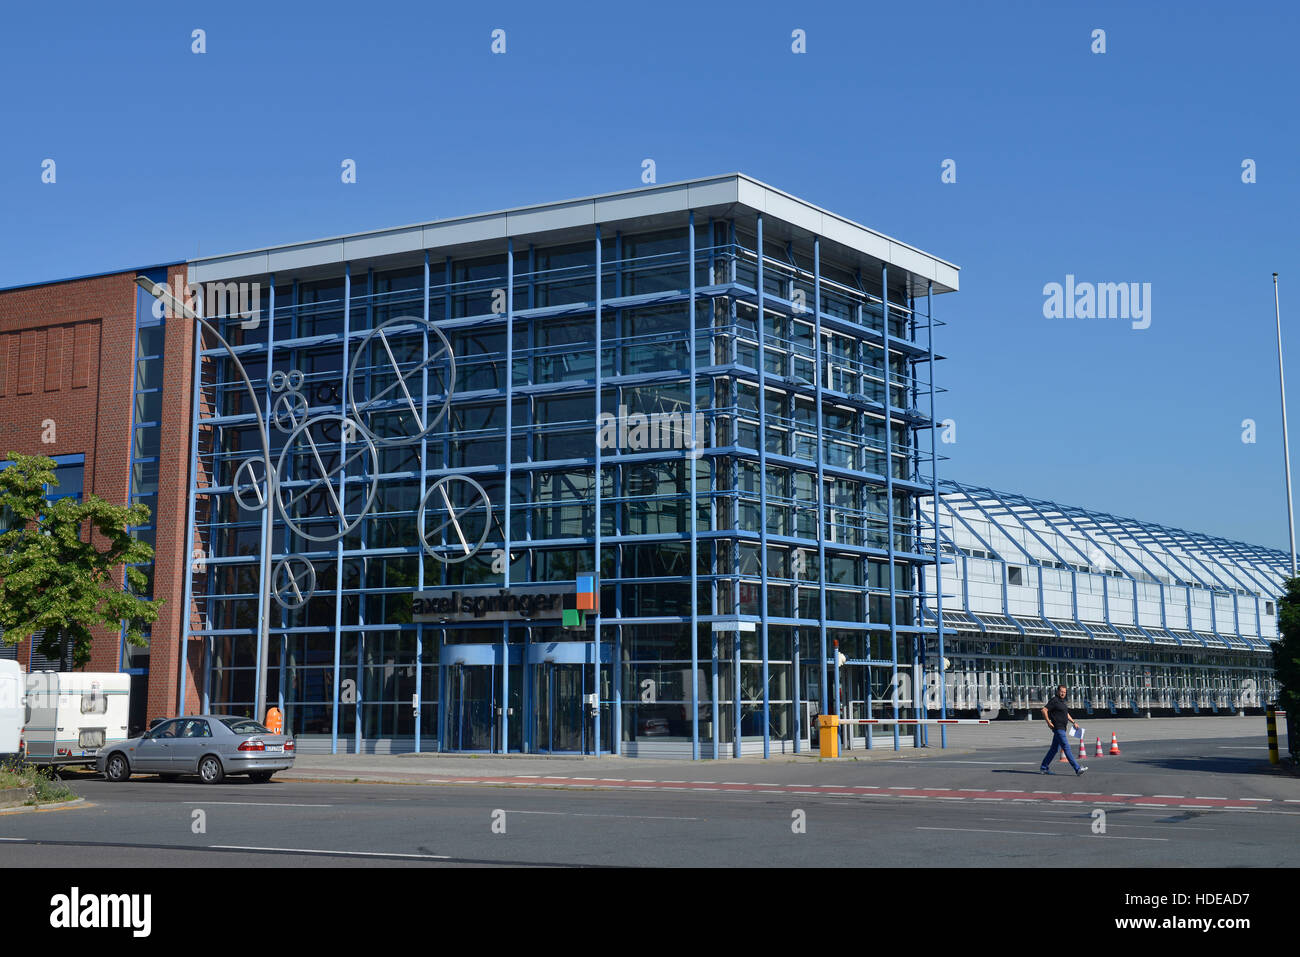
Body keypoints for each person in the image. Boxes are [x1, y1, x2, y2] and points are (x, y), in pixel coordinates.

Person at [1040, 684, 1088, 775]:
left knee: (1054, 749)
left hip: (1062, 728)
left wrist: (1073, 722)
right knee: (1066, 747)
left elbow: (1066, 714)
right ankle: (1077, 769)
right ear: (1058, 691)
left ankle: (1044, 767)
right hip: (1058, 728)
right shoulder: (1054, 700)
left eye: (1064, 692)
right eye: (1061, 691)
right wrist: (1048, 722)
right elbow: (1044, 710)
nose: (1063, 693)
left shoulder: (1062, 702)